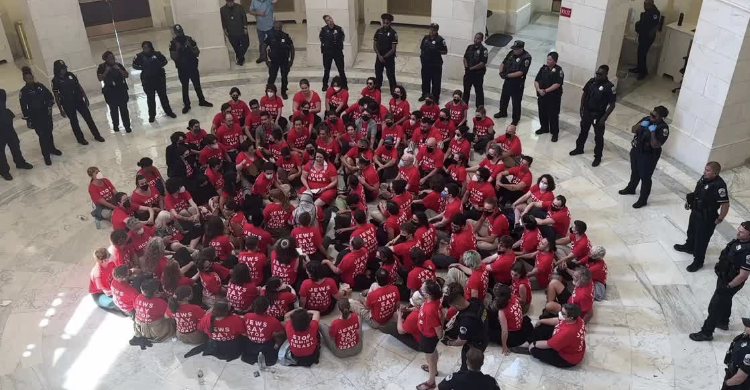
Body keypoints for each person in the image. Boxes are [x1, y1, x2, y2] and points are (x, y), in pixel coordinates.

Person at [690, 222, 750, 342]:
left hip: (731, 281)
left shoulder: (748, 252)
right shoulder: (739, 241)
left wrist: (729, 286)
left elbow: (743, 275)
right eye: (739, 230)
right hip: (725, 277)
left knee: (715, 306)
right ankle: (723, 321)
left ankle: (706, 332)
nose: (738, 232)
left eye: (742, 232)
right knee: (725, 300)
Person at [676, 161, 730, 272]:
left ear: (715, 173)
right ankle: (689, 246)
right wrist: (689, 202)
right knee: (691, 231)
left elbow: (725, 204)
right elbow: (697, 192)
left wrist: (720, 218)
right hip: (696, 210)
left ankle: (698, 261)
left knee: (702, 239)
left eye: (707, 170)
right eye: (705, 169)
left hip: (707, 216)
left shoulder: (719, 185)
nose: (704, 172)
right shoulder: (704, 178)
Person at [618, 105, 670, 208]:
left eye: (654, 116)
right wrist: (641, 124)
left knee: (645, 177)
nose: (651, 117)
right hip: (637, 150)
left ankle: (643, 199)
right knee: (635, 171)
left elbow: (655, 145)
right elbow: (633, 129)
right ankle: (631, 188)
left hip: (649, 155)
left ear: (661, 118)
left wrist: (653, 132)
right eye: (651, 114)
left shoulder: (663, 128)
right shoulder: (646, 119)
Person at [570, 65, 616, 167]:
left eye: (600, 74)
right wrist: (581, 107)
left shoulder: (609, 87)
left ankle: (598, 157)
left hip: (598, 115)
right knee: (583, 131)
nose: (598, 75)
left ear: (605, 74)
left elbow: (612, 105)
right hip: (587, 112)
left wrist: (604, 118)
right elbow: (585, 93)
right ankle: (579, 148)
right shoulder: (592, 81)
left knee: (598, 137)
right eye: (597, 73)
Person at [51, 60, 104, 145]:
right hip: (67, 103)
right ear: (57, 69)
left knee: (88, 118)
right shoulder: (55, 80)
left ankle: (97, 135)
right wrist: (60, 109)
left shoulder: (70, 75)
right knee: (74, 121)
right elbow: (56, 96)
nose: (64, 69)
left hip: (78, 100)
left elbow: (79, 86)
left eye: (64, 67)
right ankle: (80, 139)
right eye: (62, 68)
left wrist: (85, 97)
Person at [443, 284, 488, 371]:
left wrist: (449, 342)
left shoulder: (466, 321)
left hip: (475, 346)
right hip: (484, 335)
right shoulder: (475, 301)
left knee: (468, 366)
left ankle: (465, 376)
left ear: (457, 306)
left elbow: (461, 341)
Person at [169, 24, 213, 114]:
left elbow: (197, 52)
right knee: (185, 87)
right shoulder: (173, 43)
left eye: (180, 31)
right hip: (182, 69)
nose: (180, 33)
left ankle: (202, 100)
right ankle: (187, 105)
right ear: (175, 33)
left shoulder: (189, 39)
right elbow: (174, 57)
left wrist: (190, 47)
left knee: (197, 85)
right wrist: (178, 49)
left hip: (192, 66)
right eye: (178, 32)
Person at [19, 67, 58, 166]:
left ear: (33, 77)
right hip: (35, 116)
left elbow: (50, 97)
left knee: (49, 132)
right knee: (42, 136)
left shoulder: (40, 86)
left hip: (46, 113)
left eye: (30, 77)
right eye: (27, 78)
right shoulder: (23, 91)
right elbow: (24, 107)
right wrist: (28, 120)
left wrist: (49, 106)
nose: (30, 80)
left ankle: (52, 149)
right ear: (24, 79)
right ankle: (46, 156)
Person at [529, 303, 586, 368]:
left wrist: (533, 344)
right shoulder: (578, 319)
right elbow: (557, 320)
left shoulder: (566, 333)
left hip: (567, 358)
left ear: (570, 318)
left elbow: (548, 344)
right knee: (543, 326)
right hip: (571, 344)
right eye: (561, 311)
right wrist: (541, 321)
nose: (560, 314)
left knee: (534, 350)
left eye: (563, 313)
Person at [133, 41, 176, 122]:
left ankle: (169, 112)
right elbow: (134, 65)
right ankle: (152, 115)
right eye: (144, 48)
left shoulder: (157, 54)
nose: (146, 49)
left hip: (159, 80)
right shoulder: (139, 56)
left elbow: (165, 61)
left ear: (151, 47)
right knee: (150, 99)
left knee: (163, 97)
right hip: (147, 81)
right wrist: (144, 68)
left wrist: (157, 66)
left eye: (147, 47)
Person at [495, 40, 532, 125]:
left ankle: (515, 119)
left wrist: (507, 75)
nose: (514, 50)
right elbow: (503, 63)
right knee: (504, 97)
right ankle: (502, 112)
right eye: (514, 49)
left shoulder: (527, 57)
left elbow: (521, 72)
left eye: (516, 49)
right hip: (507, 81)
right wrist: (501, 71)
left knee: (516, 102)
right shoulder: (511, 53)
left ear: (521, 49)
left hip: (517, 83)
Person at [242, 295, 285, 366]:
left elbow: (244, 329)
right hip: (265, 345)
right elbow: (281, 333)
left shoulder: (247, 316)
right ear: (268, 308)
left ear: (254, 306)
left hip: (250, 343)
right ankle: (276, 347)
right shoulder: (273, 320)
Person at [417, 279, 444, 390]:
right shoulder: (435, 300)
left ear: (428, 294)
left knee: (430, 356)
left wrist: (439, 336)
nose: (420, 290)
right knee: (433, 352)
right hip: (428, 335)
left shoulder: (430, 310)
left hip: (429, 336)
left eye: (422, 289)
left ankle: (431, 381)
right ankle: (434, 369)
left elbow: (437, 327)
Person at [0, 89, 31, 181]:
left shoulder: (1, 93)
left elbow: (2, 93)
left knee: (15, 145)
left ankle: (20, 162)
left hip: (7, 126)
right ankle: (4, 171)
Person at [133, 279, 176, 344]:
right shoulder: (160, 303)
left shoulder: (138, 297)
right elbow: (169, 314)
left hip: (140, 328)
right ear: (156, 291)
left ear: (142, 290)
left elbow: (136, 307)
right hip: (156, 331)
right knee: (171, 317)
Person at [97, 51, 131, 133]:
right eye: (110, 58)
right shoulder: (101, 67)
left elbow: (126, 75)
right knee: (114, 110)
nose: (112, 59)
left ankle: (127, 126)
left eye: (113, 57)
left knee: (124, 110)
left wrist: (119, 69)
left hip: (121, 91)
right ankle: (116, 125)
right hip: (110, 92)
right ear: (105, 59)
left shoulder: (118, 65)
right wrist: (107, 71)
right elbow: (100, 78)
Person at [533, 52, 564, 142]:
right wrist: (538, 89)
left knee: (553, 115)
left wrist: (546, 91)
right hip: (542, 95)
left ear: (555, 61)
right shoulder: (543, 68)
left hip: (553, 97)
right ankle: (544, 128)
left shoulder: (559, 71)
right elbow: (536, 80)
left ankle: (554, 133)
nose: (548, 61)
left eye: (550, 60)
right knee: (542, 112)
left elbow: (557, 84)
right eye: (547, 59)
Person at [630, 0, 661, 80]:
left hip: (648, 37)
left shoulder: (655, 13)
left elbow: (657, 25)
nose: (644, 6)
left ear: (651, 4)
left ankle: (642, 73)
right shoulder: (647, 11)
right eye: (644, 4)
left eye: (646, 4)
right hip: (643, 35)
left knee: (642, 54)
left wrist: (650, 33)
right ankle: (639, 68)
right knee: (640, 53)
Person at [264, 21, 294, 100]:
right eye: (276, 27)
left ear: (281, 27)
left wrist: (291, 60)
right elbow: (263, 48)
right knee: (272, 77)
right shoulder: (270, 36)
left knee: (284, 77)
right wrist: (266, 61)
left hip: (284, 60)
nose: (277, 28)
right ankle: (269, 91)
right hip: (274, 61)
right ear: (274, 27)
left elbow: (292, 47)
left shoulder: (285, 36)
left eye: (279, 27)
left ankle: (283, 92)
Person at [419, 23, 447, 102]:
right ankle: (425, 95)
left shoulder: (440, 39)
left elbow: (445, 51)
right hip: (426, 64)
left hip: (436, 65)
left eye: (433, 30)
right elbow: (422, 48)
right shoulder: (425, 38)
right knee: (425, 81)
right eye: (430, 29)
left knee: (436, 83)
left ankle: (435, 98)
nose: (431, 31)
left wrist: (436, 50)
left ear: (437, 31)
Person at [319, 15, 347, 90]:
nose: (330, 20)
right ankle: (325, 85)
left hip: (337, 52)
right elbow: (321, 39)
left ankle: (344, 85)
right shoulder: (323, 30)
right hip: (327, 53)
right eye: (328, 20)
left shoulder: (339, 29)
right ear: (326, 22)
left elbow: (343, 38)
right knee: (326, 70)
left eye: (330, 18)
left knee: (341, 69)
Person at [721, 317, 750, 389]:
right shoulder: (745, 335)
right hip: (732, 371)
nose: (745, 327)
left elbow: (739, 378)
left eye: (748, 326)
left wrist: (726, 383)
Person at [374, 13, 398, 93]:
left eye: (387, 23)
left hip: (389, 58)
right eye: (384, 22)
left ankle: (394, 90)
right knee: (378, 74)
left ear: (390, 23)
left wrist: (384, 57)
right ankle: (377, 89)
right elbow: (374, 45)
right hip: (379, 57)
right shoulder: (378, 31)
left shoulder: (393, 33)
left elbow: (393, 49)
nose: (385, 24)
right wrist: (379, 56)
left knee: (390, 75)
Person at [463, 33, 488, 108]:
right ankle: (464, 104)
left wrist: (472, 68)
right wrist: (466, 67)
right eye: (475, 38)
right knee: (466, 88)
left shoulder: (484, 50)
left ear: (481, 40)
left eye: (478, 38)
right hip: (468, 72)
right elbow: (465, 58)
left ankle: (479, 106)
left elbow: (483, 63)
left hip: (478, 73)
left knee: (478, 90)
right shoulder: (470, 47)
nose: (476, 39)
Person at [89, 247, 118, 312]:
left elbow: (116, 273)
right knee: (119, 303)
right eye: (109, 256)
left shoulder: (110, 263)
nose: (111, 256)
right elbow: (107, 292)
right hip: (100, 294)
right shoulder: (98, 275)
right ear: (104, 260)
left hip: (111, 286)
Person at [221, 0, 249, 65]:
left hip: (241, 31)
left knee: (246, 44)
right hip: (231, 32)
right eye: (229, 2)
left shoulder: (239, 7)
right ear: (226, 1)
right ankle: (241, 60)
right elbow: (223, 21)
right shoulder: (222, 10)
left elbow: (244, 17)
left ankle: (239, 57)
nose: (230, 3)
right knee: (236, 47)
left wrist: (245, 27)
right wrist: (225, 30)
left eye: (231, 2)